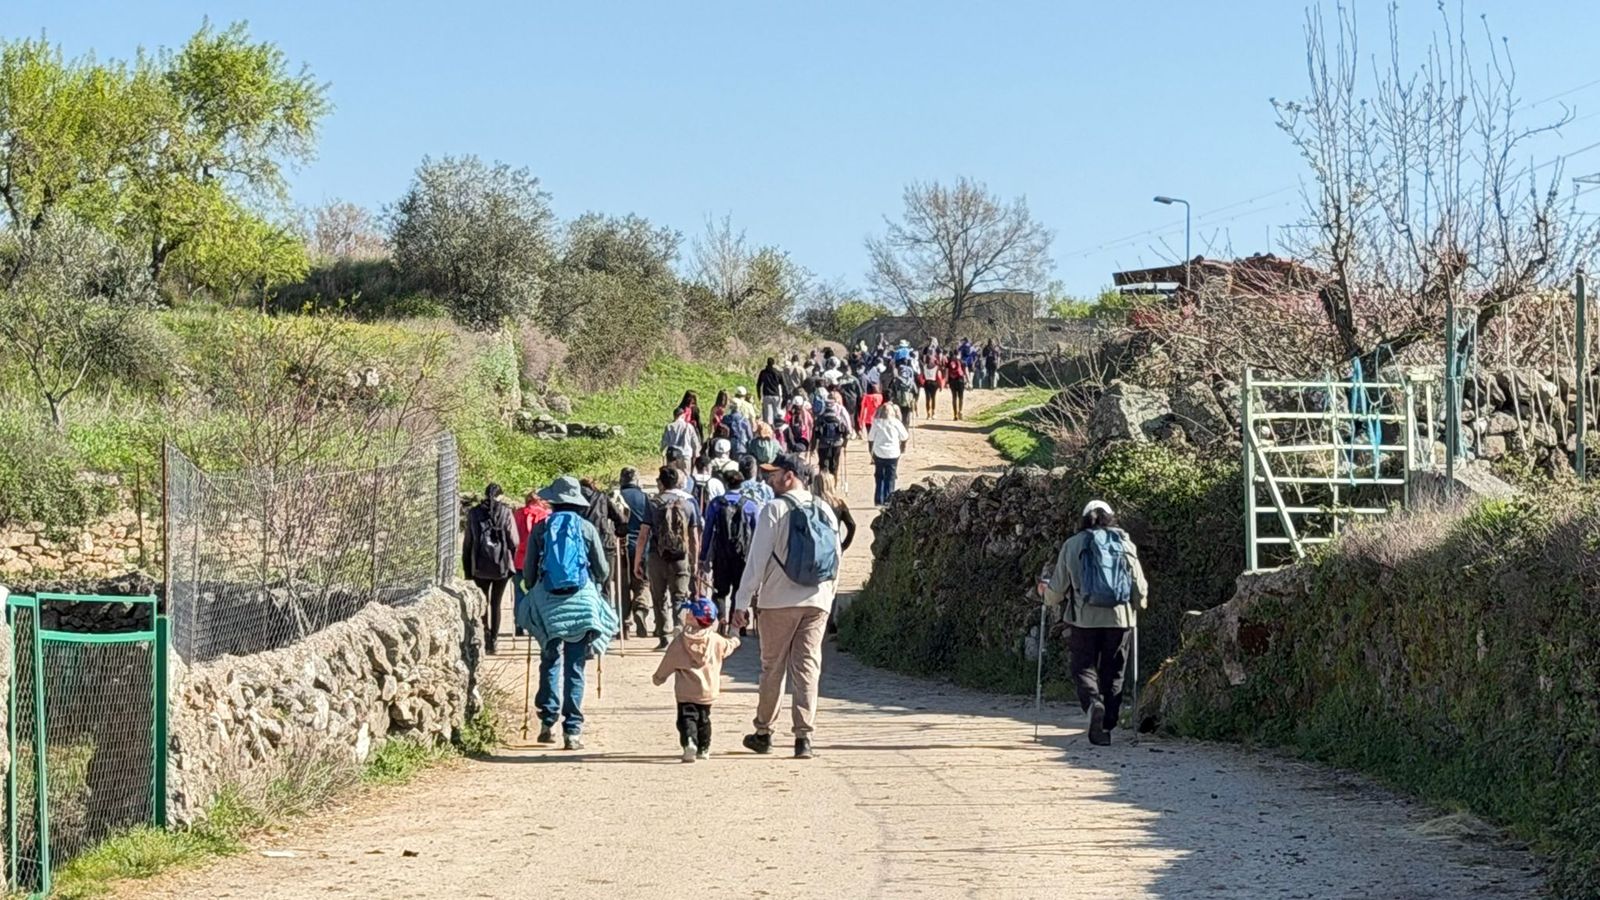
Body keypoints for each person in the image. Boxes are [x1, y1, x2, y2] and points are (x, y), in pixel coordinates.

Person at [732, 454, 841, 760]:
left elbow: (757, 561)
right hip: (817, 600)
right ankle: (804, 738)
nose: (769, 478)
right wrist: (828, 597)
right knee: (807, 668)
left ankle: (764, 732)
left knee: (773, 668)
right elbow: (836, 559)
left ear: (790, 476)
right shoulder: (824, 509)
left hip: (778, 601)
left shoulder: (775, 509)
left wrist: (742, 602)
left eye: (774, 473)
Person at [517, 475, 617, 750]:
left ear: (553, 501)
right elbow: (603, 571)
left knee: (550, 660)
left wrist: (534, 588)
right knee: (575, 666)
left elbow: (528, 572)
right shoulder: (586, 528)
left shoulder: (542, 528)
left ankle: (547, 723)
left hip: (548, 603)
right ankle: (572, 731)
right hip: (581, 602)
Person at [1039, 500, 1149, 747]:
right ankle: (1107, 724)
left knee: (1083, 667)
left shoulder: (1072, 544)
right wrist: (1138, 605)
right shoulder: (1124, 543)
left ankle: (1093, 705)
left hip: (1083, 619)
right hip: (1120, 618)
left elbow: (1056, 591)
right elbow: (1140, 587)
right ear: (1111, 518)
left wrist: (1045, 595)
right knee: (1114, 670)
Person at [653, 597, 741, 762]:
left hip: (686, 692)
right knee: (704, 720)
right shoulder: (716, 640)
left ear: (694, 618)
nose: (687, 613)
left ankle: (690, 742)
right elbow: (730, 645)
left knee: (686, 719)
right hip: (708, 690)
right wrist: (735, 635)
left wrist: (659, 677)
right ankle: (704, 748)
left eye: (690, 612)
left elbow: (669, 660)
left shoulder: (680, 641)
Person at [635, 465, 703, 650]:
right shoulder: (688, 504)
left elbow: (643, 535)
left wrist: (638, 561)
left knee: (659, 597)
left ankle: (664, 635)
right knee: (679, 597)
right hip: (680, 557)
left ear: (661, 483)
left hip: (657, 556)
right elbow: (694, 537)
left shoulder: (653, 503)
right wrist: (695, 561)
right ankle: (679, 631)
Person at [701, 469, 761, 630]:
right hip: (743, 555)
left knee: (720, 591)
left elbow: (708, 531)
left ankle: (721, 620)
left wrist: (703, 556)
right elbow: (757, 533)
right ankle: (736, 625)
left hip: (721, 554)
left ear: (725, 483)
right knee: (739, 591)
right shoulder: (750, 505)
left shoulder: (715, 504)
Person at [463, 484, 519, 655]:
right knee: (496, 603)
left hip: (480, 565)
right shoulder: (506, 512)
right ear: (500, 496)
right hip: (501, 565)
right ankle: (494, 640)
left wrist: (467, 567)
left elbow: (469, 541)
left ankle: (485, 635)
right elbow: (514, 541)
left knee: (484, 602)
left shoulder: (474, 513)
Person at [579, 476, 628, 610]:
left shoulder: (576, 500)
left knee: (585, 582)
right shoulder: (602, 498)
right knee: (605, 583)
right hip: (605, 544)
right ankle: (605, 612)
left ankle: (589, 611)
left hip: (584, 545)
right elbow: (621, 519)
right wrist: (619, 533)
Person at [618, 467, 653, 640]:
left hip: (620, 546)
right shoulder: (645, 498)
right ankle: (640, 608)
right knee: (642, 583)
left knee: (622, 586)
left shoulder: (616, 497)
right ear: (637, 480)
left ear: (621, 480)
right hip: (642, 546)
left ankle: (624, 625)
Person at [512, 490, 552, 638]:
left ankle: (519, 623)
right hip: (537, 560)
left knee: (519, 592)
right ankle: (535, 623)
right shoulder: (545, 515)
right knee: (537, 593)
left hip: (519, 559)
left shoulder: (518, 514)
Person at [869, 402, 909, 507]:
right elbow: (905, 436)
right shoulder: (896, 422)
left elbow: (871, 437)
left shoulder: (876, 422)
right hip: (893, 453)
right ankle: (888, 500)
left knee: (879, 476)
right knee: (890, 477)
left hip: (879, 452)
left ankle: (878, 500)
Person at [810, 471, 856, 553]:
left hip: (815, 546)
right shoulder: (839, 504)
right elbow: (852, 525)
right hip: (834, 543)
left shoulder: (810, 504)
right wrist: (843, 546)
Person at [814, 394, 849, 476]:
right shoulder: (839, 417)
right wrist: (845, 442)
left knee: (823, 464)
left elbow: (816, 432)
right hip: (837, 443)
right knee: (834, 464)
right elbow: (846, 430)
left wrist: (814, 445)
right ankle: (834, 480)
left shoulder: (820, 416)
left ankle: (824, 480)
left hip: (823, 444)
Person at [757, 357, 786, 424]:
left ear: (767, 363)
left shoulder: (763, 372)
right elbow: (783, 385)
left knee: (767, 415)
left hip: (766, 395)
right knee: (776, 414)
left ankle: (769, 428)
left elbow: (758, 384)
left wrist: (759, 395)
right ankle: (776, 427)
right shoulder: (778, 372)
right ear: (773, 363)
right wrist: (784, 396)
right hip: (776, 395)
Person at [945, 350, 968, 421]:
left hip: (952, 381)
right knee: (961, 397)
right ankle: (960, 411)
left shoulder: (949, 362)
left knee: (954, 398)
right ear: (959, 354)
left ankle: (955, 415)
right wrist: (968, 381)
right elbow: (966, 372)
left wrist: (946, 382)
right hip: (960, 380)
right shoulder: (963, 362)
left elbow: (947, 373)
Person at [921, 350, 944, 420]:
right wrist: (941, 385)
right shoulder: (936, 367)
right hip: (934, 383)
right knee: (933, 398)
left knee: (927, 399)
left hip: (927, 383)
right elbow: (939, 377)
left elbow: (922, 376)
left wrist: (922, 383)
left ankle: (928, 414)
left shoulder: (924, 366)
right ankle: (933, 413)